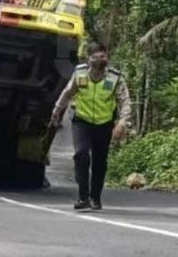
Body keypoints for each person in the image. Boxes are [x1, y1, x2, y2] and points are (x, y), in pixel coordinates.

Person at [50, 42, 132, 211]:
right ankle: (83, 197)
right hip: (82, 120)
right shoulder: (80, 73)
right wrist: (56, 112)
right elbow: (67, 93)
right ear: (89, 59)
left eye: (103, 57)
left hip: (104, 123)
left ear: (107, 57)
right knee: (81, 154)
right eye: (95, 57)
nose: (100, 61)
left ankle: (95, 197)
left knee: (99, 161)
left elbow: (125, 102)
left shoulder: (115, 77)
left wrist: (122, 123)